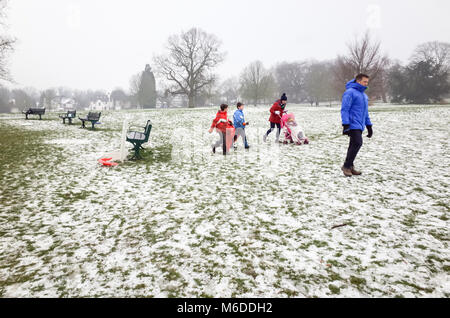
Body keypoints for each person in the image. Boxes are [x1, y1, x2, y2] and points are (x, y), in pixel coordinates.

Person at [341, 73, 373, 177]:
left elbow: (365, 112)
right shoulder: (349, 93)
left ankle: (350, 166)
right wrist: (345, 124)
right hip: (352, 123)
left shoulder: (364, 95)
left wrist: (369, 125)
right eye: (364, 81)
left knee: (353, 145)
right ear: (358, 81)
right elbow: (345, 109)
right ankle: (346, 166)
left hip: (360, 124)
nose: (366, 84)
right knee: (357, 143)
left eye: (367, 82)